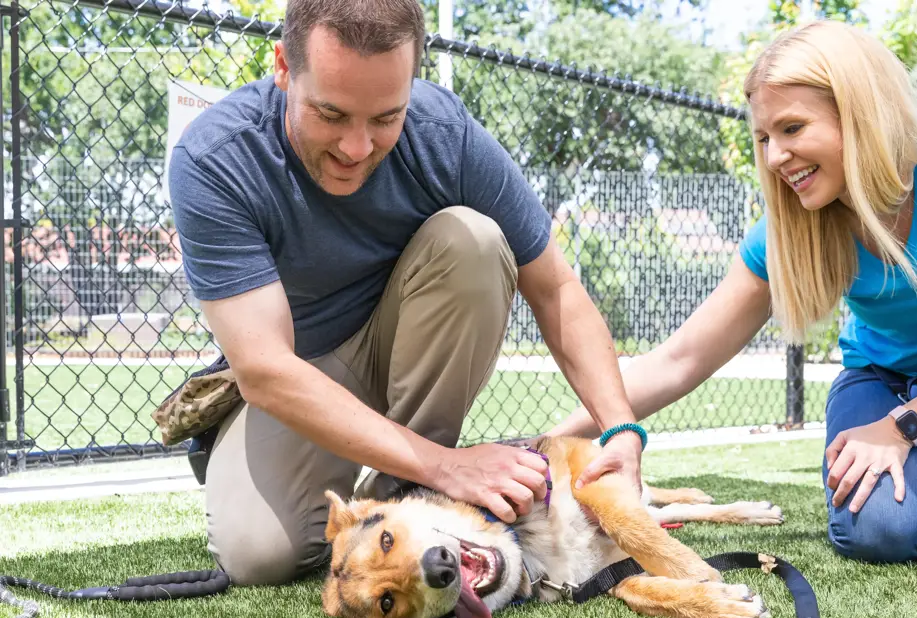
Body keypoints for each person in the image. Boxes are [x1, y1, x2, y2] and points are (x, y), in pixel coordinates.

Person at [167, 0, 646, 586]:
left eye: (386, 117)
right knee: (261, 556)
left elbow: (558, 290)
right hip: (301, 368)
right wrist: (451, 464)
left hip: (404, 343)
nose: (356, 147)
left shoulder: (445, 133)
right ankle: (426, 471)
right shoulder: (216, 156)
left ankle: (408, 491)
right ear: (284, 68)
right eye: (331, 114)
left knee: (473, 240)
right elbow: (266, 369)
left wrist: (621, 428)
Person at [548, 20, 917, 577]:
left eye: (792, 128)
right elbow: (678, 360)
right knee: (882, 530)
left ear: (859, 111)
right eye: (764, 139)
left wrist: (904, 429)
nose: (775, 158)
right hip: (885, 378)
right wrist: (543, 444)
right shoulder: (786, 229)